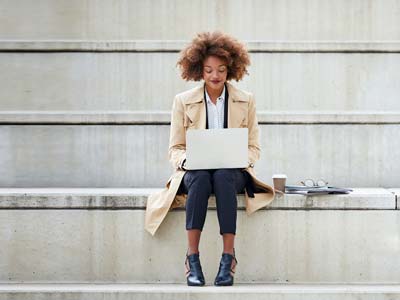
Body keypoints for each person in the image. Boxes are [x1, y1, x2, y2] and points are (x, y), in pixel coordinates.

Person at [145, 31, 275, 286]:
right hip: (195, 172)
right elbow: (175, 148)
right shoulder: (183, 101)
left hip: (232, 172)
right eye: (208, 70)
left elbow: (254, 147)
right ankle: (192, 258)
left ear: (231, 70)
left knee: (224, 176)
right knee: (202, 178)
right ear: (199, 71)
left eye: (221, 70)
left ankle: (228, 258)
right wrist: (187, 161)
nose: (215, 76)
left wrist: (241, 158)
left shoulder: (245, 100)